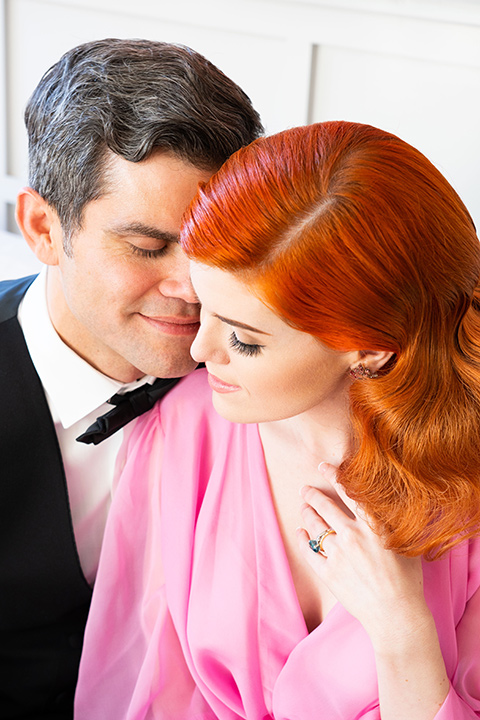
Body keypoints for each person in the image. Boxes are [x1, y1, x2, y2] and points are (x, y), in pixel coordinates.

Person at [75, 121, 480, 719]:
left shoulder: (464, 493)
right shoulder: (182, 432)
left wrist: (402, 631)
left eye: (243, 339)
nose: (198, 352)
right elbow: (139, 689)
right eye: (202, 308)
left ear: (370, 347)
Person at [0, 37, 263, 719]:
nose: (190, 285)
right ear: (42, 228)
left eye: (216, 246)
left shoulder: (276, 380)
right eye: (147, 246)